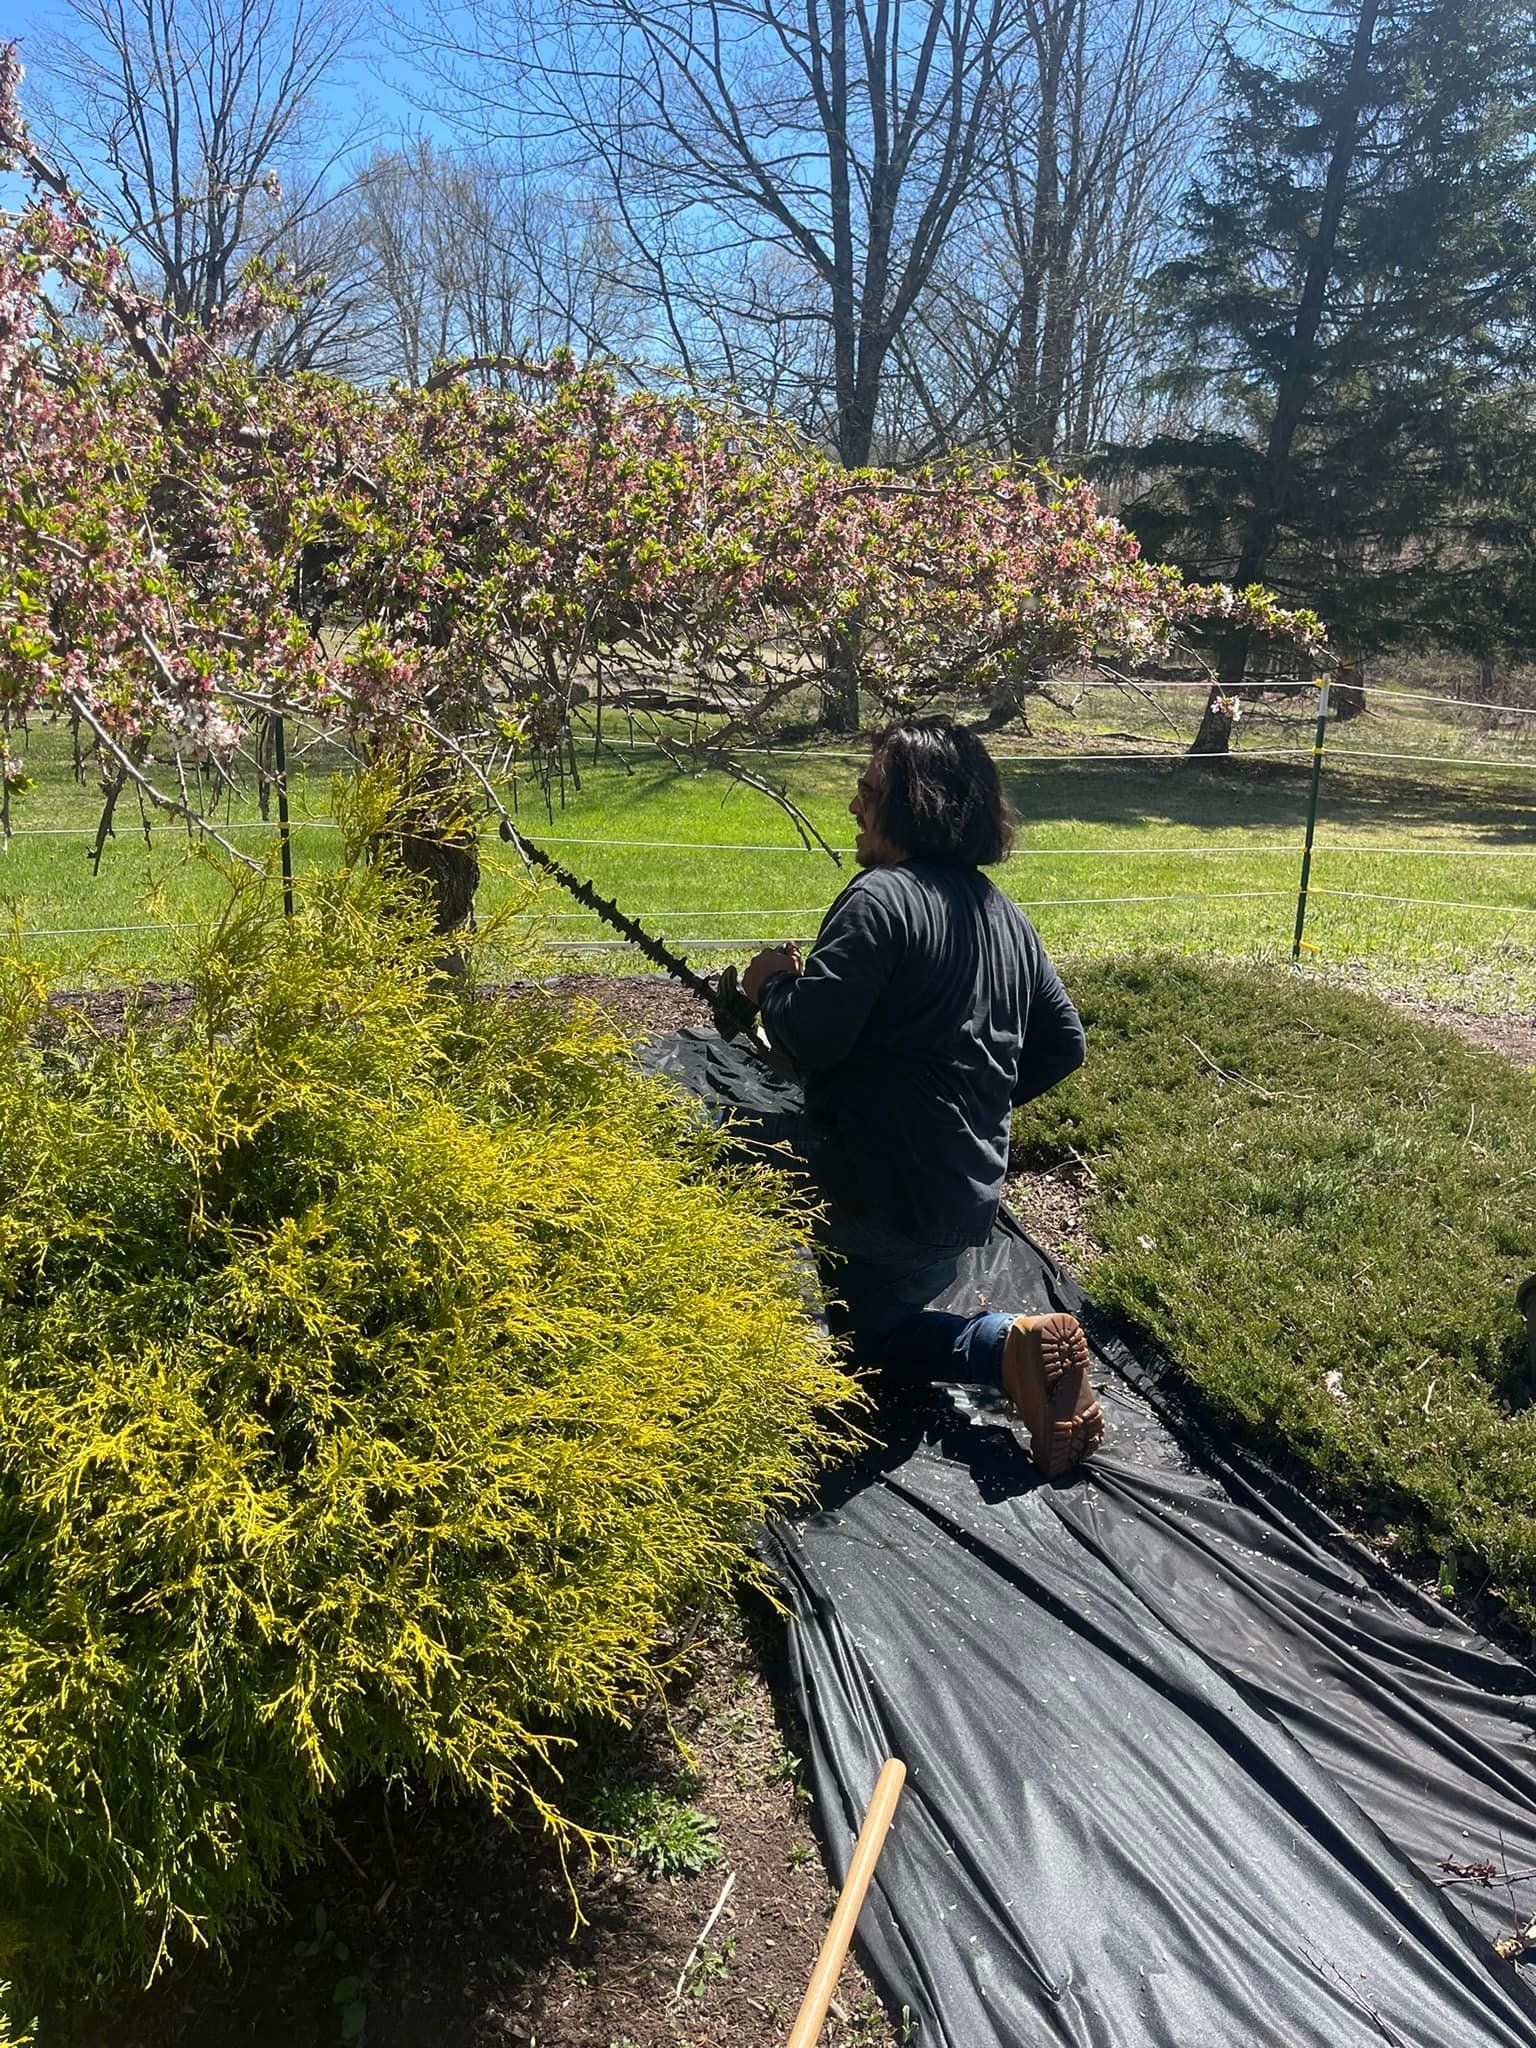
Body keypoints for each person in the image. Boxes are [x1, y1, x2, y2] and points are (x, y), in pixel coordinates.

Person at [740, 716, 1104, 1477]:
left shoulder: (880, 897)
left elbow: (810, 1039)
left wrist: (771, 984)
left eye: (868, 791)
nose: (853, 808)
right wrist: (978, 1102)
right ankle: (1006, 1348)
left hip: (877, 1192)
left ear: (914, 805)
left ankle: (1008, 1346)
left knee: (867, 1345)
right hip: (961, 1198)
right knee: (883, 1313)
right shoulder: (1005, 914)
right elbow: (1064, 1045)